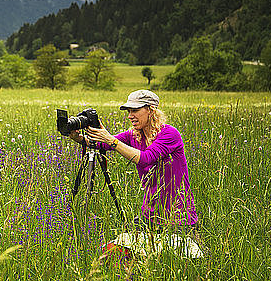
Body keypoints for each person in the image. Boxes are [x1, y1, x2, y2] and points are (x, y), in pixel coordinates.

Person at [70, 89, 198, 232]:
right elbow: (103, 144)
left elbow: (145, 158)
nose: (130, 116)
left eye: (135, 110)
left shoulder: (169, 134)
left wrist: (110, 139)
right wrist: (79, 138)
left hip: (177, 216)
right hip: (149, 215)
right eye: (129, 111)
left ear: (151, 110)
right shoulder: (135, 135)